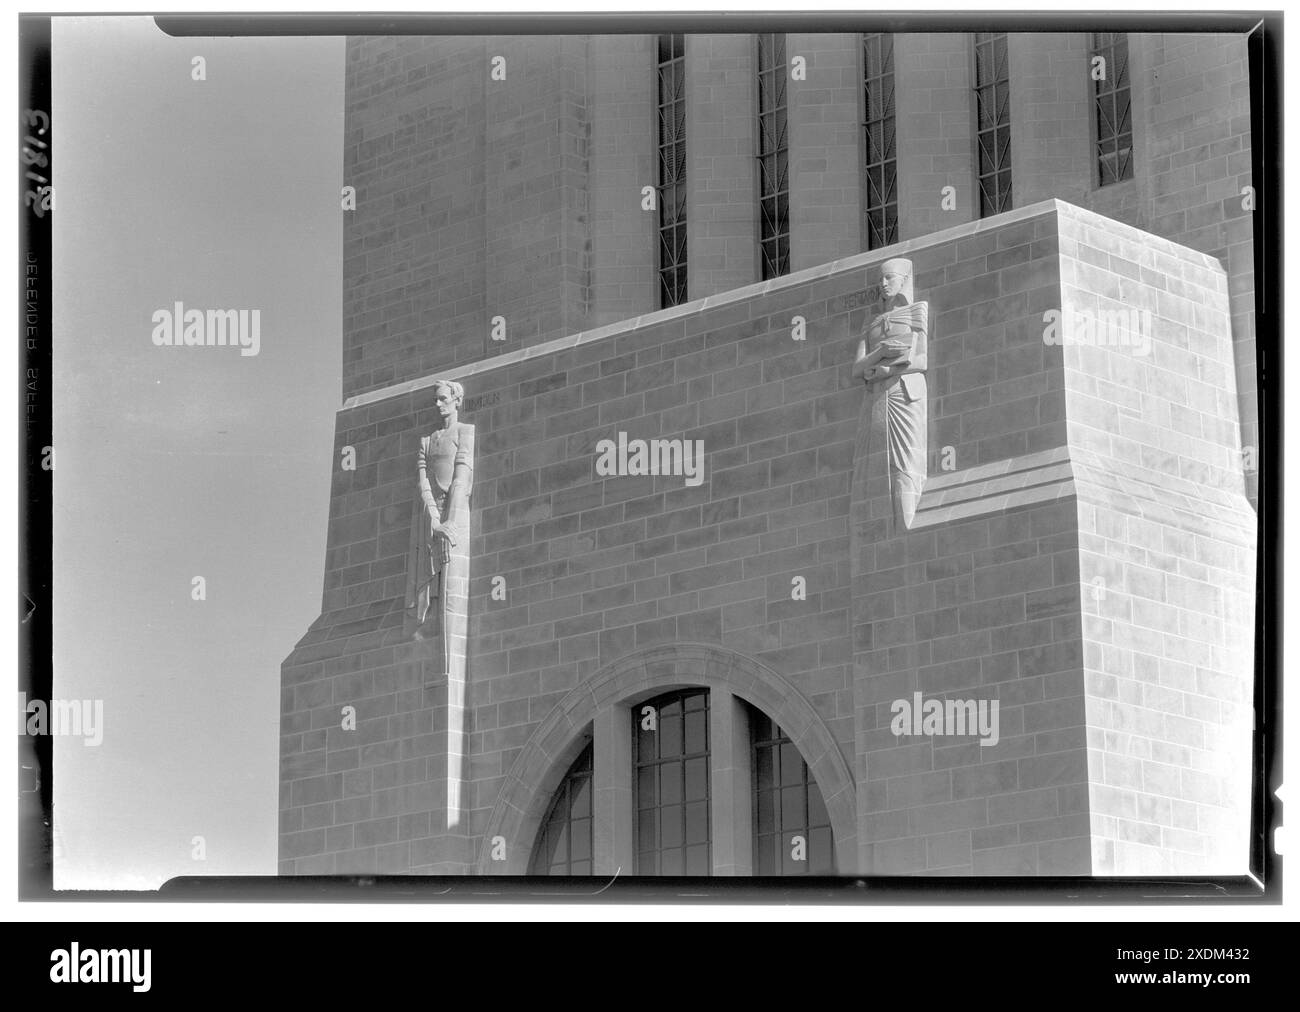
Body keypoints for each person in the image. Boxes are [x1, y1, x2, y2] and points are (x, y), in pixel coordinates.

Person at [852, 258, 929, 530]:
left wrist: (885, 368)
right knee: (872, 466)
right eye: (880, 280)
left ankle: (904, 520)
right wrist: (881, 354)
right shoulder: (871, 322)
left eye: (890, 278)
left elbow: (921, 360)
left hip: (903, 394)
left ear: (904, 280)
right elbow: (856, 369)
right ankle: (876, 525)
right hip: (876, 396)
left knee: (903, 462)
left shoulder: (917, 311)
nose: (884, 285)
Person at [411, 379, 475, 660]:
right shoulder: (427, 441)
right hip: (432, 518)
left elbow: (462, 478)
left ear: (456, 400)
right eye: (436, 399)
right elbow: (423, 483)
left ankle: (449, 659)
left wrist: (450, 521)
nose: (438, 404)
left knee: (452, 592)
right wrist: (435, 522)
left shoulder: (465, 432)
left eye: (443, 398)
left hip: (455, 514)